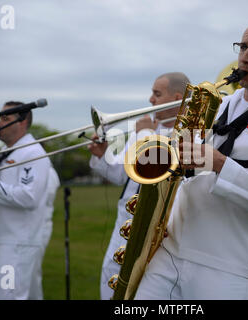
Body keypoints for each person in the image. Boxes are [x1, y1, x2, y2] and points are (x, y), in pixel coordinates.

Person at [135, 18, 248, 300]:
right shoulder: (222, 103)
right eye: (242, 46)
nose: (244, 56)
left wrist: (220, 165)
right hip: (170, 251)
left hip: (224, 265)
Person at [88, 72, 190, 300]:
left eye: (157, 94)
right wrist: (102, 155)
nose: (150, 100)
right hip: (122, 223)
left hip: (153, 228)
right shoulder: (144, 132)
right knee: (111, 279)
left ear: (177, 98)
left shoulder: (186, 136)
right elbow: (122, 176)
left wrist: (145, 134)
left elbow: (156, 167)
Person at [0, 101, 52, 300]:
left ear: (22, 123)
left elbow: (28, 197)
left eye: (5, 119)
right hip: (2, 242)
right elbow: (1, 199)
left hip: (16, 245)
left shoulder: (33, 153)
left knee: (9, 297)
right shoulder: (8, 155)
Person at [29, 166, 60, 300]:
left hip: (40, 226)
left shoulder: (48, 171)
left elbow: (38, 199)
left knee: (32, 271)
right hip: (25, 227)